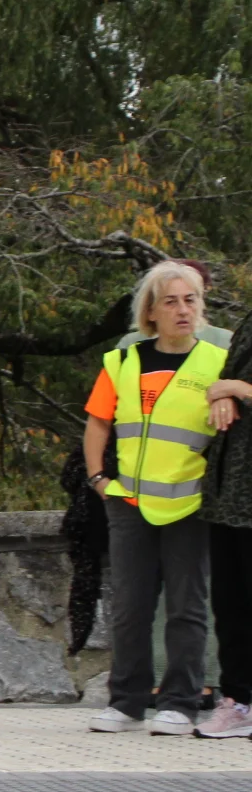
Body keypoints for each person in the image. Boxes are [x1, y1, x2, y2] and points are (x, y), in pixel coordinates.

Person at [83, 261, 225, 734]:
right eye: (171, 302)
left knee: (187, 608)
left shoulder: (218, 363)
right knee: (130, 607)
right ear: (150, 312)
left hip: (190, 503)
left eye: (191, 300)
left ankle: (181, 704)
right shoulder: (122, 361)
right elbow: (98, 423)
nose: (183, 310)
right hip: (128, 502)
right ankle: (126, 702)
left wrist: (230, 390)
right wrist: (98, 478)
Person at [198, 308, 252, 738]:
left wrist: (235, 388)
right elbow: (223, 383)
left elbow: (232, 384)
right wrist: (223, 394)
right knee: (230, 604)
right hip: (230, 491)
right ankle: (237, 700)